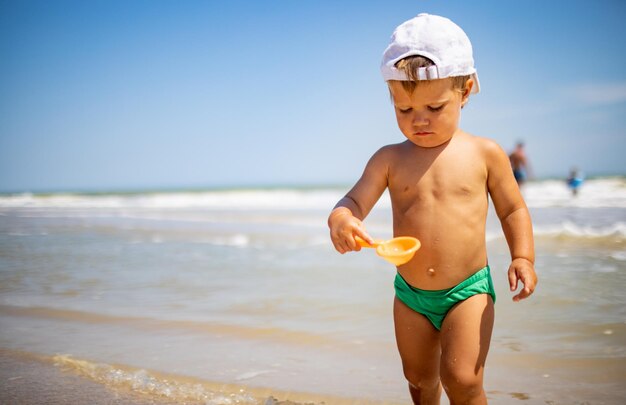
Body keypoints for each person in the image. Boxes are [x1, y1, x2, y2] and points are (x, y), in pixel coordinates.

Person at [327, 14, 537, 404]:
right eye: (404, 110)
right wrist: (342, 217)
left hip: (467, 290)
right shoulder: (388, 159)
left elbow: (512, 209)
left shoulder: (484, 153)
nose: (418, 120)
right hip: (410, 294)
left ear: (466, 90)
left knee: (462, 379)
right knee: (419, 379)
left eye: (434, 107)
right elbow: (354, 200)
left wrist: (522, 256)